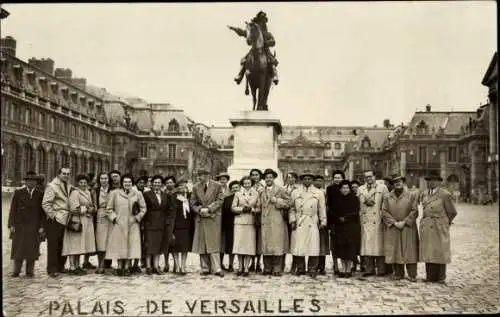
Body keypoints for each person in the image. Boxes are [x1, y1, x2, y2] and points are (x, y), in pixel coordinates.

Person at [419, 171, 458, 284]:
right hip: (427, 226)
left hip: (439, 226)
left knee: (440, 251)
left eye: (432, 180)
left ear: (438, 182)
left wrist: (445, 223)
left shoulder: (444, 194)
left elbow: (452, 212)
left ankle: (440, 277)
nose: (430, 182)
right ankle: (430, 276)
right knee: (429, 251)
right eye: (428, 180)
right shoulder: (425, 194)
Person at [105, 174, 147, 276]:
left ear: (132, 183)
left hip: (132, 224)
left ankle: (127, 267)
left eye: (129, 182)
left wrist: (137, 218)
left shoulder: (137, 194)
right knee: (120, 246)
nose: (127, 184)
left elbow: (143, 208)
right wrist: (115, 218)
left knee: (131, 246)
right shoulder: (114, 193)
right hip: (119, 224)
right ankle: (119, 267)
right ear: (122, 183)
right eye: (125, 182)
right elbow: (109, 209)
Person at [289, 173, 327, 278]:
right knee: (299, 245)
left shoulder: (318, 193)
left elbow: (322, 208)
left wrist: (323, 221)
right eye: (305, 179)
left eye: (309, 179)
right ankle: (301, 268)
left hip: (312, 220)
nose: (307, 181)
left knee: (313, 246)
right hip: (299, 220)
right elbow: (292, 208)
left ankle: (312, 269)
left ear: (312, 180)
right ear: (301, 180)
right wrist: (292, 220)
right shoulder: (295, 192)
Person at [381, 176, 419, 282]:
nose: (398, 183)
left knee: (410, 250)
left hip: (408, 227)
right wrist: (394, 222)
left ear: (403, 182)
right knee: (395, 250)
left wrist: (405, 222)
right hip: (394, 227)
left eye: (400, 181)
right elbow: (384, 211)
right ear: (393, 184)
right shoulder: (387, 196)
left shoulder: (411, 195)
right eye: (395, 182)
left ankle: (412, 274)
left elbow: (414, 210)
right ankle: (398, 273)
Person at [8, 172, 46, 277]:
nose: (31, 183)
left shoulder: (40, 194)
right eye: (28, 181)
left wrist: (42, 226)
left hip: (34, 226)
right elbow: (13, 210)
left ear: (36, 183)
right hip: (20, 225)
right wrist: (11, 225)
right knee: (18, 248)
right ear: (25, 182)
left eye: (33, 181)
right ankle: (16, 271)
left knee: (32, 249)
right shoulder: (18, 193)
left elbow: (43, 213)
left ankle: (30, 271)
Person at [228, 11, 279, 85]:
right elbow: (243, 32)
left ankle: (275, 76)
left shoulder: (267, 33)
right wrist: (234, 29)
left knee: (271, 61)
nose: (262, 23)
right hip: (253, 50)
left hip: (265, 50)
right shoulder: (253, 33)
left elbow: (273, 41)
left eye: (263, 21)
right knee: (245, 60)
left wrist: (267, 43)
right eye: (260, 21)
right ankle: (239, 75)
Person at [190, 169, 224, 277]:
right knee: (202, 244)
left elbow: (220, 200)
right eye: (199, 175)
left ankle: (217, 268)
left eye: (202, 175)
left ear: (208, 175)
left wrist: (209, 209)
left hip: (213, 218)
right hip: (201, 218)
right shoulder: (195, 187)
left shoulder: (217, 185)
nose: (200, 177)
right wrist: (200, 209)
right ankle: (205, 268)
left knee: (213, 243)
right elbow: (192, 202)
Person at [258, 168, 290, 276]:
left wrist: (277, 201)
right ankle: (267, 268)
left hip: (277, 221)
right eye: (266, 177)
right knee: (266, 245)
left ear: (274, 178)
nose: (268, 179)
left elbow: (288, 202)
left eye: (270, 177)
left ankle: (277, 268)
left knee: (277, 245)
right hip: (265, 221)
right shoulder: (261, 191)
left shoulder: (280, 190)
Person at [63, 174, 97, 275]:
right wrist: (87, 209)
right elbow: (74, 209)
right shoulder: (75, 193)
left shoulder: (88, 192)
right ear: (77, 183)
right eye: (81, 182)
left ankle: (77, 266)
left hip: (86, 222)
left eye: (85, 183)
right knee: (74, 245)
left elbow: (91, 205)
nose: (83, 184)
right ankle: (72, 267)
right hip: (76, 222)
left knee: (80, 245)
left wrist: (92, 208)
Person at [42, 167, 72, 278]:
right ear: (58, 174)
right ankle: (52, 269)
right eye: (64, 173)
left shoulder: (68, 186)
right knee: (53, 245)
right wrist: (53, 216)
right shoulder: (52, 186)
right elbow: (46, 204)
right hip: (56, 220)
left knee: (63, 244)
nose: (66, 175)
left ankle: (60, 266)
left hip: (66, 219)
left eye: (68, 174)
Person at [359, 171, 389, 277]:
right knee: (367, 245)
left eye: (370, 176)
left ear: (375, 177)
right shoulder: (360, 189)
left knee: (378, 245)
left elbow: (386, 204)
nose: (368, 178)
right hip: (365, 220)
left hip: (378, 219)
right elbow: (359, 204)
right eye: (366, 177)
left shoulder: (382, 188)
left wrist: (383, 217)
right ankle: (369, 269)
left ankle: (381, 270)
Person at [143, 175, 174, 275]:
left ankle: (156, 266)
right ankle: (148, 266)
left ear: (162, 184)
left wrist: (167, 222)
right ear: (152, 184)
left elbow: (168, 210)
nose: (157, 184)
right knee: (149, 245)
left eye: (159, 182)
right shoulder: (146, 194)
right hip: (150, 223)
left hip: (161, 224)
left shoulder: (165, 195)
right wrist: (144, 223)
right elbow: (144, 209)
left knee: (158, 245)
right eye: (155, 182)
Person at [332, 180, 361, 278]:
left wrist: (347, 218)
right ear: (340, 189)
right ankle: (343, 268)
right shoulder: (336, 199)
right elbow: (332, 212)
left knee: (350, 248)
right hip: (339, 227)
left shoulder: (355, 199)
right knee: (341, 248)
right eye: (343, 188)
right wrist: (338, 218)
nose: (345, 190)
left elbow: (356, 212)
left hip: (351, 226)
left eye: (347, 188)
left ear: (350, 189)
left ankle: (348, 269)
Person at [231, 176, 259, 276]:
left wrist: (252, 210)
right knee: (239, 246)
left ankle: (246, 268)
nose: (247, 185)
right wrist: (242, 209)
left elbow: (259, 208)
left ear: (251, 183)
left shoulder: (256, 193)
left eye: (249, 183)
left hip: (250, 222)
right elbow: (233, 207)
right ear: (242, 184)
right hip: (239, 222)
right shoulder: (238, 194)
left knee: (248, 246)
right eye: (245, 183)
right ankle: (240, 267)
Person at [92, 172, 112, 274]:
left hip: (111, 215)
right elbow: (94, 204)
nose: (104, 180)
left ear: (108, 180)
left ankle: (104, 264)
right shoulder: (96, 191)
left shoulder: (113, 190)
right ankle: (100, 264)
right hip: (100, 214)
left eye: (105, 178)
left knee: (109, 240)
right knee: (100, 241)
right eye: (102, 178)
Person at [326, 170, 345, 275]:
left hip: (344, 221)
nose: (337, 179)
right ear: (333, 179)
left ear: (342, 178)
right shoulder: (329, 189)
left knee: (343, 244)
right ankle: (335, 265)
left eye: (339, 177)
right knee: (334, 244)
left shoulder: (346, 187)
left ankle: (344, 265)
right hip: (334, 220)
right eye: (335, 177)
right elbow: (329, 205)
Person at [172, 181, 194, 275]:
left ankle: (183, 266)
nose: (182, 187)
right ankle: (177, 266)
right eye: (180, 185)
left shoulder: (189, 196)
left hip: (186, 225)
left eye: (184, 185)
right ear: (177, 187)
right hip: (176, 225)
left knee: (185, 247)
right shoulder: (173, 197)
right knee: (175, 247)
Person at [221, 180, 240, 272]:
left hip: (241, 224)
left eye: (237, 187)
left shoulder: (242, 197)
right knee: (229, 245)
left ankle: (242, 266)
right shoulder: (227, 199)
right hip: (229, 224)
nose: (235, 189)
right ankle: (230, 264)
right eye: (233, 188)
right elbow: (224, 212)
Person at [284, 172, 301, 273]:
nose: (290, 179)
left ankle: (295, 264)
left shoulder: (299, 189)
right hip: (284, 217)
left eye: (292, 177)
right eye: (288, 177)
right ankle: (282, 263)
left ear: (295, 179)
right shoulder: (282, 188)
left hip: (294, 217)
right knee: (284, 241)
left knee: (295, 241)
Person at [216, 172, 232, 271]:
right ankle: (219, 263)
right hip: (218, 216)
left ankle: (229, 264)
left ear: (227, 180)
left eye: (224, 179)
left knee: (227, 241)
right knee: (219, 242)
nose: (222, 181)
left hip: (227, 217)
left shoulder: (230, 190)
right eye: (221, 179)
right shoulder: (215, 189)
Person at [249, 168, 265, 273]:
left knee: (259, 240)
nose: (255, 177)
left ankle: (259, 262)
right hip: (250, 215)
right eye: (253, 175)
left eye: (257, 175)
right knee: (251, 240)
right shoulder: (248, 187)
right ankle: (251, 263)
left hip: (260, 216)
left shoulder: (263, 188)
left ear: (260, 176)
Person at [314, 175, 329, 275]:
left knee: (323, 245)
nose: (318, 182)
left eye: (320, 180)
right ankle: (314, 266)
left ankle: (322, 266)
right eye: (317, 181)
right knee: (313, 245)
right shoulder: (312, 192)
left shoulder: (325, 193)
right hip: (313, 220)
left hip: (323, 220)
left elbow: (328, 206)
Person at [162, 175, 177, 273]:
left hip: (176, 220)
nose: (169, 184)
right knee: (166, 244)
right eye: (167, 183)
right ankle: (166, 263)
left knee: (175, 244)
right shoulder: (163, 194)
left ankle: (176, 264)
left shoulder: (178, 193)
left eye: (171, 182)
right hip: (166, 221)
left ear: (174, 183)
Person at [134, 175, 149, 270]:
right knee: (136, 241)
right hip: (136, 219)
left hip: (146, 219)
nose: (142, 184)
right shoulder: (134, 192)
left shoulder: (147, 192)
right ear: (136, 183)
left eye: (143, 183)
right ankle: (134, 262)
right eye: (140, 183)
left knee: (145, 241)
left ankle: (144, 260)